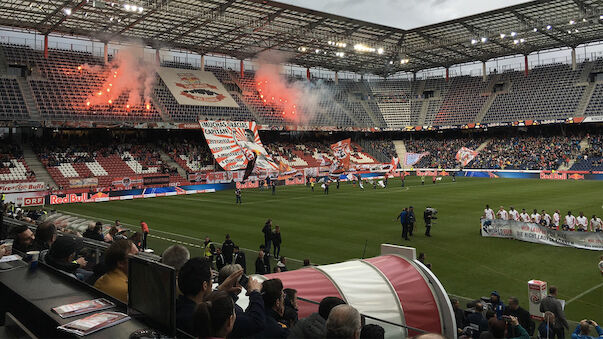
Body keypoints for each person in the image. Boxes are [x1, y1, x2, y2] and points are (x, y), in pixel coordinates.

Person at [218, 265, 265, 339]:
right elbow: (257, 323)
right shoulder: (233, 312)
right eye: (241, 280)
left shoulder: (211, 301)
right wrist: (255, 293)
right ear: (235, 284)